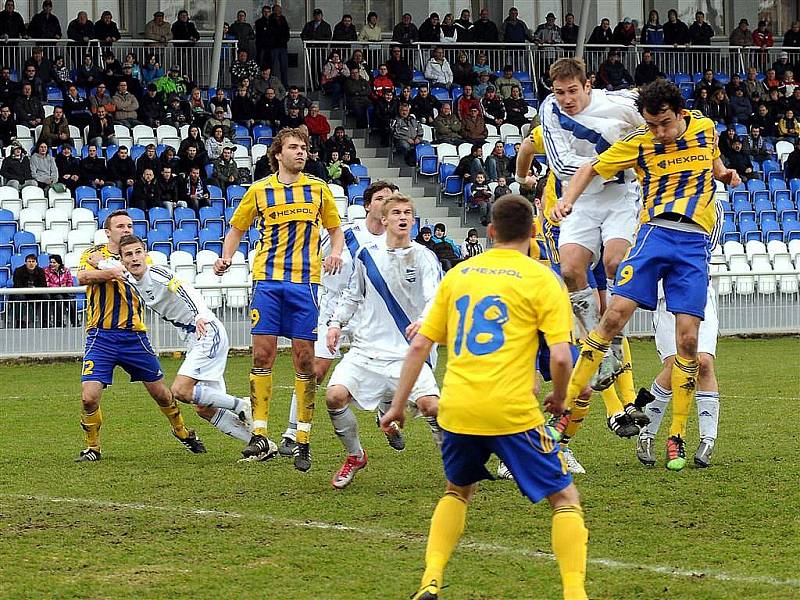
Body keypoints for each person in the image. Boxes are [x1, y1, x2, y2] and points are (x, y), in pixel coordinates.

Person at [380, 194, 588, 600]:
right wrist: (561, 398)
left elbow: (420, 346)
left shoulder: (459, 274)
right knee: (564, 497)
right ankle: (574, 593)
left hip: (458, 408)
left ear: (490, 232)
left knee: (457, 490)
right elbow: (562, 356)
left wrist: (396, 406)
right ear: (532, 234)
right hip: (512, 411)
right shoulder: (544, 279)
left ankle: (431, 579)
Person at [551, 79, 739, 472]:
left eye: (665, 124)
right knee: (614, 315)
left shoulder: (704, 128)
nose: (659, 132)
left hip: (693, 246)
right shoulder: (640, 142)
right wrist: (567, 200)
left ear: (682, 113)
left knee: (688, 343)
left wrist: (725, 175)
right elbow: (590, 166)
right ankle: (562, 416)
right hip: (654, 235)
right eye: (652, 124)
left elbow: (716, 160)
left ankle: (676, 436)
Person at [214, 127, 344, 470]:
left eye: (303, 147)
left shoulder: (318, 189)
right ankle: (259, 433)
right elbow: (237, 228)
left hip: (305, 284)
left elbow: (335, 229)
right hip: (268, 282)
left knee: (304, 360)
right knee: (262, 353)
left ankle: (302, 438)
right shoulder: (259, 191)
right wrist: (226, 256)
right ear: (278, 155)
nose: (300, 152)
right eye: (293, 147)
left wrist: (336, 253)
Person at [538, 58, 646, 441]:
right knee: (569, 271)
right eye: (559, 92)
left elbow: (652, 133)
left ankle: (611, 338)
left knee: (617, 263)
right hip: (580, 198)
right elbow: (562, 161)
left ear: (588, 85)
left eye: (572, 91)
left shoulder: (622, 104)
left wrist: (629, 161)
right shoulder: (549, 111)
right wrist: (613, 159)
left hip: (620, 195)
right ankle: (605, 344)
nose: (565, 100)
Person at [324, 192, 441, 489]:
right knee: (334, 396)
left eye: (408, 213)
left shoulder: (424, 256)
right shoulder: (366, 254)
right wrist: (336, 323)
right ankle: (355, 456)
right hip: (366, 350)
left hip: (408, 353)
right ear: (384, 219)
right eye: (397, 213)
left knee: (432, 407)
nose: (403, 218)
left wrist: (425, 320)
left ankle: (455, 464)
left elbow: (435, 297)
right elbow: (353, 293)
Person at [74, 210, 204, 463]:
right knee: (88, 397)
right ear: (108, 231)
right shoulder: (92, 254)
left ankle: (183, 432)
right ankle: (93, 448)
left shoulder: (141, 257)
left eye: (130, 225)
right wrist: (109, 271)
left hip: (135, 336)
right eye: (120, 226)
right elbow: (82, 276)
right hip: (101, 336)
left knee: (162, 394)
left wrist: (113, 268)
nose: (126, 229)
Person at [277, 181, 395, 455]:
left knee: (390, 367)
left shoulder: (396, 241)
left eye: (390, 199)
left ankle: (385, 414)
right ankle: (293, 430)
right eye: (379, 198)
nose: (385, 204)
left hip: (371, 313)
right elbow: (309, 254)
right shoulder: (346, 233)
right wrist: (327, 259)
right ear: (367, 205)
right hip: (331, 308)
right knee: (315, 368)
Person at [115, 234, 253, 447]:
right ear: (122, 260)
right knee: (205, 408)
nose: (134, 258)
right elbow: (103, 265)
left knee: (180, 390)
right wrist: (97, 262)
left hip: (205, 330)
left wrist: (199, 315)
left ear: (145, 254)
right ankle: (259, 443)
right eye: (128, 255)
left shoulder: (158, 273)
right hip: (192, 338)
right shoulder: (130, 278)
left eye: (138, 252)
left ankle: (241, 405)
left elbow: (185, 289)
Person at [44, 254, 75, 327]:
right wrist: (59, 287)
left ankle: (75, 322)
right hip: (53, 292)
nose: (52, 264)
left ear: (59, 263)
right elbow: (47, 283)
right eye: (51, 262)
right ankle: (59, 323)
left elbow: (70, 281)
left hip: (65, 291)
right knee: (59, 299)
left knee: (71, 301)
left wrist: (66, 287)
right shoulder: (46, 270)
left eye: (54, 262)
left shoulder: (66, 270)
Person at [267, 4, 290, 87]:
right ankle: (272, 84)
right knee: (273, 66)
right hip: (274, 46)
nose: (279, 11)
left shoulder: (283, 19)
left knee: (284, 66)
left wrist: (286, 39)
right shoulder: (270, 19)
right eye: (277, 10)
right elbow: (270, 32)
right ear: (274, 11)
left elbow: (287, 30)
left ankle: (285, 84)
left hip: (283, 46)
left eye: (280, 10)